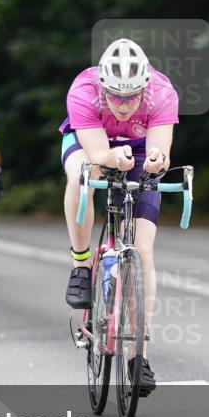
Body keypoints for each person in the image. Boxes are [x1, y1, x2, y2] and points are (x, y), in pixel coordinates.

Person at [60, 38, 179, 396]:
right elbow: (97, 153)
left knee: (143, 251)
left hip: (139, 150)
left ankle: (137, 355)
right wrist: (112, 158)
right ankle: (82, 265)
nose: (124, 105)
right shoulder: (83, 89)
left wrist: (157, 162)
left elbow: (161, 150)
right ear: (103, 87)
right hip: (90, 144)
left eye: (131, 97)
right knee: (81, 175)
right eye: (115, 96)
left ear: (145, 86)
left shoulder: (161, 92)